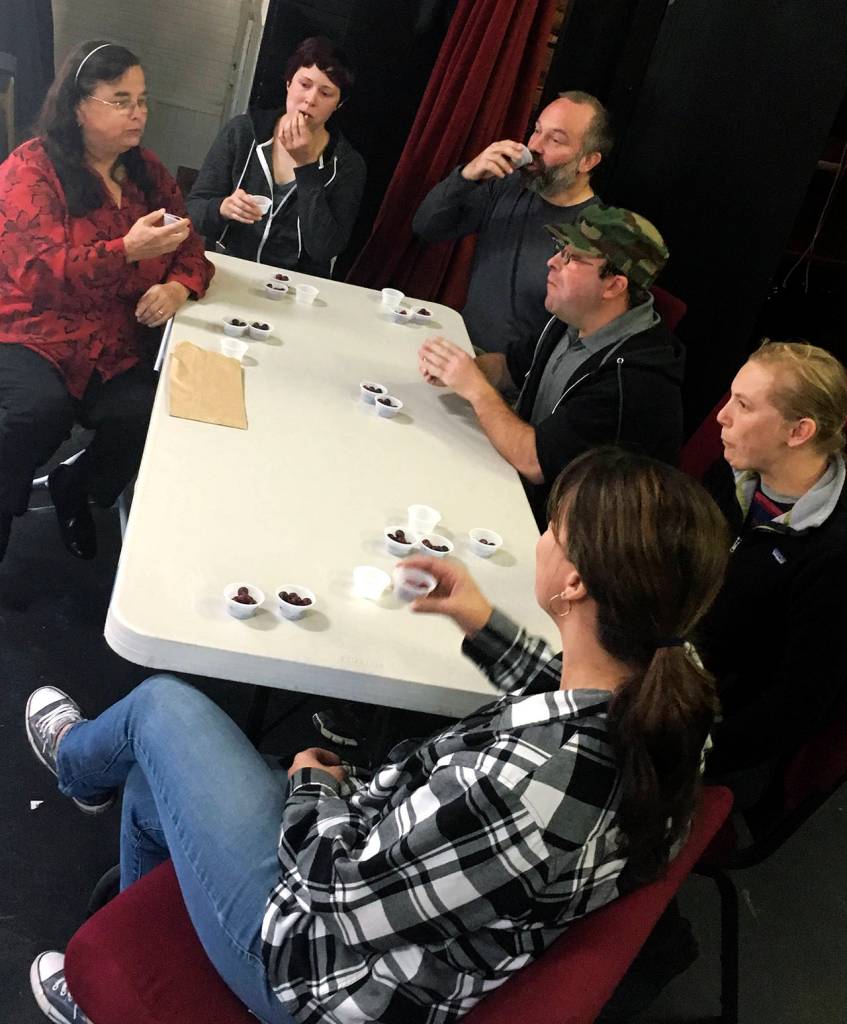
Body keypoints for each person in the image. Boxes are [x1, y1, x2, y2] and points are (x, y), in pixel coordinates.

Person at [25, 448, 728, 1024]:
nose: (539, 538)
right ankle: (106, 992)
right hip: (411, 907)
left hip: (314, 968)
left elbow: (333, 888)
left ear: (572, 584)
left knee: (162, 709)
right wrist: (480, 622)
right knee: (153, 779)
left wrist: (311, 786)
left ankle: (77, 768)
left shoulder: (520, 790)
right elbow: (568, 695)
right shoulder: (669, 687)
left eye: (553, 529)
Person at [0, 40, 214, 564]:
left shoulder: (145, 172)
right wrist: (126, 252)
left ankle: (80, 484)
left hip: (112, 337)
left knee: (154, 412)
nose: (137, 113)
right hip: (36, 330)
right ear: (78, 105)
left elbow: (191, 245)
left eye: (142, 100)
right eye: (120, 100)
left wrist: (177, 287)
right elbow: (40, 274)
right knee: (33, 413)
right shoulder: (31, 170)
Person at [418, 204, 684, 529]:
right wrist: (456, 369)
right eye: (561, 249)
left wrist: (474, 387)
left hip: (561, 530)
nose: (552, 262)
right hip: (516, 489)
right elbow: (510, 367)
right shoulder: (574, 317)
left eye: (572, 258)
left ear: (614, 286)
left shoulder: (629, 381)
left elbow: (534, 461)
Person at [698, 341, 847, 798]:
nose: (721, 416)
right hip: (662, 664)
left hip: (716, 731)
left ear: (798, 431)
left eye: (742, 406)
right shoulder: (738, 473)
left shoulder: (834, 557)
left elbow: (793, 707)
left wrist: (687, 751)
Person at [412, 91, 610, 355]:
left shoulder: (598, 232)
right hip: (461, 346)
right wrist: (467, 176)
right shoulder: (508, 187)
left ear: (588, 160)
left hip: (516, 380)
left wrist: (503, 373)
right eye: (536, 131)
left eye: (555, 139)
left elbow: (578, 342)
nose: (535, 147)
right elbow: (427, 227)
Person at [187, 37, 366, 277]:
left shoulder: (346, 164)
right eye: (304, 84)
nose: (310, 99)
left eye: (325, 93)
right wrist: (222, 207)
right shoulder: (242, 132)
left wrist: (307, 167)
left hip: (298, 286)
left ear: (339, 104)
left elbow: (325, 248)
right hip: (227, 270)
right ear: (289, 82)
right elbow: (194, 211)